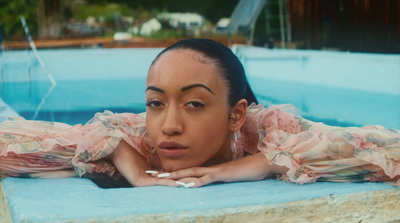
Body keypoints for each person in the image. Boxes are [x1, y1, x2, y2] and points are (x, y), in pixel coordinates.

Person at [0, 39, 399, 188]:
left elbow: (385, 148)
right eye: (155, 102)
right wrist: (130, 164)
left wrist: (259, 164)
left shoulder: (272, 130)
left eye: (195, 103)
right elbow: (13, 142)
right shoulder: (137, 137)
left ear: (236, 115)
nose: (169, 125)